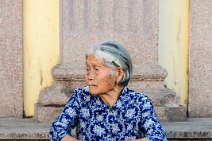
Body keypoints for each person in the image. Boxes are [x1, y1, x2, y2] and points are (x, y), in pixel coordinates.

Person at [49, 41, 167, 141]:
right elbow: (57, 130)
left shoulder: (140, 102)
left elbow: (158, 136)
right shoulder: (81, 97)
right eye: (87, 69)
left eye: (96, 69)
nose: (89, 76)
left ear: (118, 73)